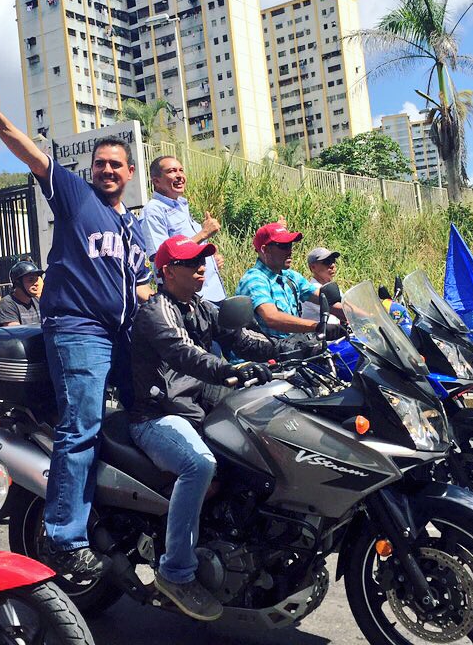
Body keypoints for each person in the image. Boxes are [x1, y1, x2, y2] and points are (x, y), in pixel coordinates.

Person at [0, 82, 153, 581]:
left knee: (150, 414)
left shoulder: (134, 230)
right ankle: (63, 537)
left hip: (121, 338)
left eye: (117, 164)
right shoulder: (76, 196)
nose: (108, 170)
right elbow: (36, 157)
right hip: (79, 330)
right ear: (93, 170)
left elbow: (143, 290)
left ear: (131, 173)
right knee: (82, 427)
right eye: (102, 164)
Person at [130, 236, 316, 621]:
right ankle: (175, 572)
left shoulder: (200, 306)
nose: (201, 265)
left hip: (197, 407)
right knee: (198, 465)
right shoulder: (156, 311)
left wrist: (301, 344)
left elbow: (241, 339)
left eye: (203, 258)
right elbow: (184, 353)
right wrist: (229, 370)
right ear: (166, 271)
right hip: (156, 415)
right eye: (191, 260)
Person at [235, 222, 345, 339]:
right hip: (265, 352)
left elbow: (324, 300)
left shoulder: (290, 277)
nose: (290, 251)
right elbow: (271, 317)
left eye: (290, 245)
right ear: (265, 250)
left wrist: (361, 316)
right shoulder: (255, 280)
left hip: (292, 348)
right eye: (283, 246)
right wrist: (318, 326)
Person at [140, 155, 226, 304]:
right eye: (172, 171)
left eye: (181, 170)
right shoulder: (153, 211)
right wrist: (203, 233)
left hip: (213, 294)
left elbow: (190, 249)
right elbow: (161, 258)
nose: (179, 176)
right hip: (191, 300)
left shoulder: (181, 205)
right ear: (156, 181)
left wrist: (211, 260)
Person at [300, 247, 342, 326]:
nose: (332, 265)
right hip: (319, 336)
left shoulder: (331, 286)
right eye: (327, 262)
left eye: (333, 261)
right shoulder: (313, 289)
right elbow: (340, 311)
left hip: (335, 335)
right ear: (313, 267)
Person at [0, 260, 44, 327]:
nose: (36, 284)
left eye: (36, 280)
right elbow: (15, 332)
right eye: (31, 280)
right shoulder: (7, 304)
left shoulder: (37, 301)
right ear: (18, 283)